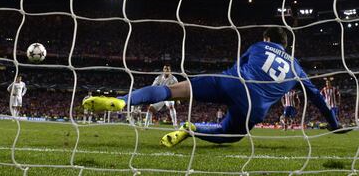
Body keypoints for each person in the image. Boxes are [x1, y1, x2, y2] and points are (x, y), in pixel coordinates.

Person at [83, 27, 350, 147]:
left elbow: (240, 63)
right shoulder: (297, 67)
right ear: (286, 45)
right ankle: (191, 129)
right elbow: (316, 97)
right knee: (228, 136)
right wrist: (333, 123)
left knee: (172, 91)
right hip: (253, 106)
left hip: (229, 81)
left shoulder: (258, 45)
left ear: (268, 38)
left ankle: (121, 100)